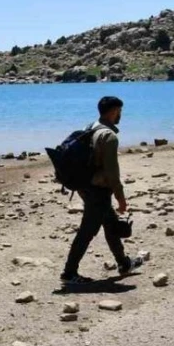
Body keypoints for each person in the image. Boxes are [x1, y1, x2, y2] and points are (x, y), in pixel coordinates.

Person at [60, 96, 144, 287]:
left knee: (111, 224)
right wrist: (121, 198)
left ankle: (124, 263)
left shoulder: (90, 126)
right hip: (97, 189)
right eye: (120, 111)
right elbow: (112, 173)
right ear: (114, 111)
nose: (121, 115)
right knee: (87, 231)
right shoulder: (109, 136)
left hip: (83, 185)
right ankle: (69, 273)